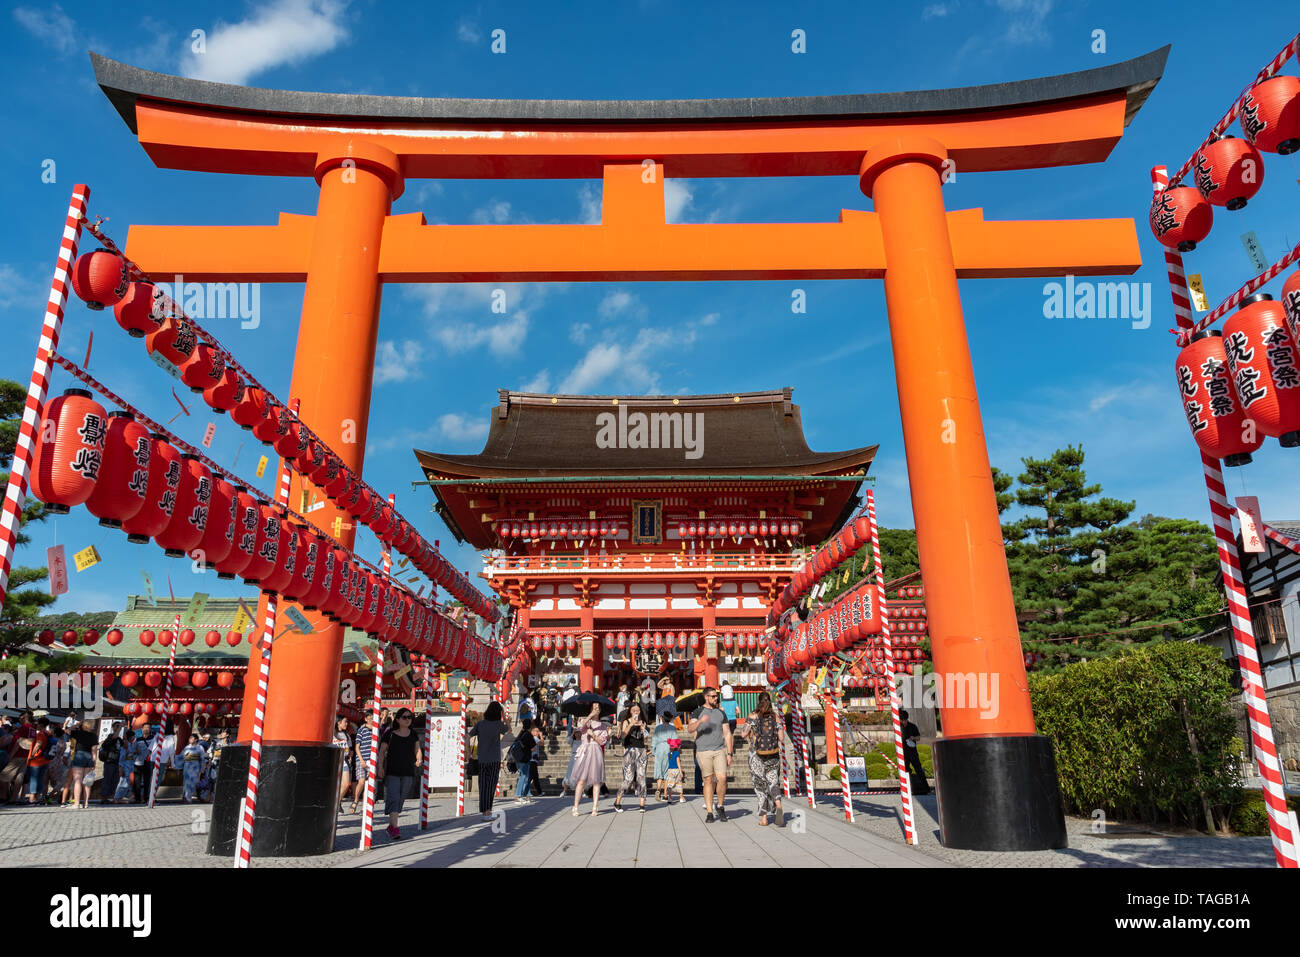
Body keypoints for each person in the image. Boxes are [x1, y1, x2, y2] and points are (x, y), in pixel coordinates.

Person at [687, 687, 733, 823]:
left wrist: (729, 753)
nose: (716, 698)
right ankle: (709, 812)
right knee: (708, 780)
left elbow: (728, 733)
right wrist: (700, 721)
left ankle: (720, 805)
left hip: (719, 750)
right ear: (706, 697)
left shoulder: (720, 713)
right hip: (703, 751)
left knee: (722, 778)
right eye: (713, 696)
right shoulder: (698, 711)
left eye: (716, 696)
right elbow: (689, 729)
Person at [376, 708, 422, 840]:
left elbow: (417, 749)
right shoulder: (389, 733)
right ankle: (395, 828)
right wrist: (380, 767)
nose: (408, 719)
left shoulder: (413, 734)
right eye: (404, 717)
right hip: (392, 772)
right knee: (394, 798)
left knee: (401, 799)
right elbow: (381, 752)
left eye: (409, 717)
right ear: (397, 719)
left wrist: (419, 758)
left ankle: (391, 826)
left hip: (408, 771)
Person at [741, 691, 785, 826]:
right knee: (773, 782)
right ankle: (778, 804)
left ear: (758, 701)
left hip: (756, 756)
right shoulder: (775, 717)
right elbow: (782, 738)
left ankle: (764, 819)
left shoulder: (752, 716)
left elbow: (743, 734)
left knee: (760, 787)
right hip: (773, 755)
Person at [468, 702, 510, 818]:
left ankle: (484, 811)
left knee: (483, 786)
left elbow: (467, 736)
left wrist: (469, 752)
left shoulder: (480, 724)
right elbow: (509, 729)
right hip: (494, 759)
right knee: (491, 786)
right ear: (498, 713)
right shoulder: (498, 724)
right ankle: (488, 811)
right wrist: (505, 717)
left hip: (482, 759)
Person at [570, 702, 608, 816]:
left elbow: (603, 741)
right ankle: (575, 806)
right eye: (594, 707)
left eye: (598, 708)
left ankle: (595, 807)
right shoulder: (586, 721)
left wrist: (594, 735)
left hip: (596, 751)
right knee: (581, 780)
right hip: (585, 751)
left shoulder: (603, 726)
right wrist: (590, 716)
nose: (596, 709)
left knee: (596, 781)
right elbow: (579, 728)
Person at [613, 700, 649, 813]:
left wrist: (643, 730)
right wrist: (631, 724)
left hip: (641, 750)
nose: (636, 712)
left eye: (637, 710)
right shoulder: (626, 721)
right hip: (629, 751)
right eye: (633, 710)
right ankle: (617, 801)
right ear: (630, 711)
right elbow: (623, 736)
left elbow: (646, 740)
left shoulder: (643, 722)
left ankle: (642, 804)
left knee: (641, 777)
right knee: (628, 778)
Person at [66, 719, 98, 810]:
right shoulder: (94, 736)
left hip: (79, 755)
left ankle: (76, 803)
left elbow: (67, 730)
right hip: (88, 757)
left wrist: (76, 724)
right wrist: (94, 761)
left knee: (78, 780)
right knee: (87, 782)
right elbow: (94, 750)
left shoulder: (77, 733)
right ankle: (86, 803)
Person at [899, 710, 932, 795]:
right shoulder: (898, 727)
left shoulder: (912, 726)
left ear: (906, 719)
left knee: (919, 769)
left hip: (912, 751)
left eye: (904, 720)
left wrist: (913, 738)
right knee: (905, 770)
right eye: (901, 720)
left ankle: (926, 788)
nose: (903, 722)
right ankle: (906, 788)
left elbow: (918, 737)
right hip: (903, 752)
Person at [510, 718, 542, 805]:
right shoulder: (528, 735)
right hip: (524, 758)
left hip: (518, 758)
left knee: (526, 777)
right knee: (524, 777)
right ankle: (518, 796)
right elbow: (533, 748)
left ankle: (527, 795)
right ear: (530, 726)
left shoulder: (520, 733)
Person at [23, 717, 51, 805]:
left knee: (33, 779)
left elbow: (38, 744)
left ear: (41, 725)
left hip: (36, 761)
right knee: (40, 779)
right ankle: (37, 798)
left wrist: (32, 755)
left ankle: (31, 799)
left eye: (37, 724)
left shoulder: (41, 734)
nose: (36, 725)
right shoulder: (48, 733)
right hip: (45, 761)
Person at [651, 710, 676, 801]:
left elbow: (654, 741)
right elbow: (674, 742)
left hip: (659, 748)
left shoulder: (658, 728)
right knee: (666, 772)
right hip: (668, 748)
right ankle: (665, 794)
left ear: (662, 719)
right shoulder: (672, 728)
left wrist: (653, 753)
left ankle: (658, 789)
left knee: (659, 770)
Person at [352, 717, 373, 813]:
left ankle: (364, 807)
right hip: (361, 759)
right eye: (370, 718)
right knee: (361, 782)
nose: (372, 720)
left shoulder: (375, 731)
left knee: (368, 785)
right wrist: (361, 760)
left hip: (371, 760)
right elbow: (357, 747)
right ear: (366, 719)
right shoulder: (361, 730)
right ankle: (356, 800)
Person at [98, 724, 122, 805]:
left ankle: (110, 797)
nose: (118, 727)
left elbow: (125, 745)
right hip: (109, 762)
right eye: (116, 726)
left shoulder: (119, 739)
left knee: (114, 781)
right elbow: (114, 737)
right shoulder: (110, 736)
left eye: (119, 726)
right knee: (107, 780)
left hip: (116, 762)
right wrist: (119, 728)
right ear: (113, 728)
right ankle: (104, 798)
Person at [334, 716, 354, 814]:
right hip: (333, 760)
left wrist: (351, 753)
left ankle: (336, 802)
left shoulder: (347, 735)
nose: (347, 724)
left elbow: (350, 748)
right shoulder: (332, 733)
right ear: (338, 722)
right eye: (345, 722)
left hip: (344, 761)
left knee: (346, 784)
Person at [180, 732, 206, 803]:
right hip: (187, 766)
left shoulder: (200, 748)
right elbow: (182, 757)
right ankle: (185, 796)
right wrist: (179, 766)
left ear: (196, 740)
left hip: (195, 767)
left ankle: (188, 797)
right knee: (186, 781)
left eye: (192, 738)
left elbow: (202, 759)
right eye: (190, 738)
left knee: (192, 782)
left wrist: (202, 768)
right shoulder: (187, 747)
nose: (190, 739)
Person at [131, 725, 153, 803]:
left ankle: (146, 797)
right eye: (144, 728)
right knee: (137, 781)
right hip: (138, 762)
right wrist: (136, 750)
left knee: (147, 780)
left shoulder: (153, 739)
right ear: (142, 729)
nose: (146, 729)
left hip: (149, 762)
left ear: (150, 729)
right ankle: (137, 798)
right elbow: (132, 749)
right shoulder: (138, 739)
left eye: (148, 728)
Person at [113, 731, 136, 802]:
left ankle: (121, 797)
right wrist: (121, 767)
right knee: (123, 782)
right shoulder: (125, 745)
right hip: (125, 766)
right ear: (131, 737)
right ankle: (117, 797)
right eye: (133, 736)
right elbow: (122, 757)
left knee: (127, 782)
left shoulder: (131, 744)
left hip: (130, 766)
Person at [663, 735, 685, 804]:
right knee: (679, 783)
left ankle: (670, 798)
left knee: (670, 784)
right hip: (676, 770)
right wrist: (681, 771)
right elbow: (678, 762)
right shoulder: (677, 753)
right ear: (677, 746)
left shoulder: (669, 753)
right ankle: (681, 797)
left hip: (670, 770)